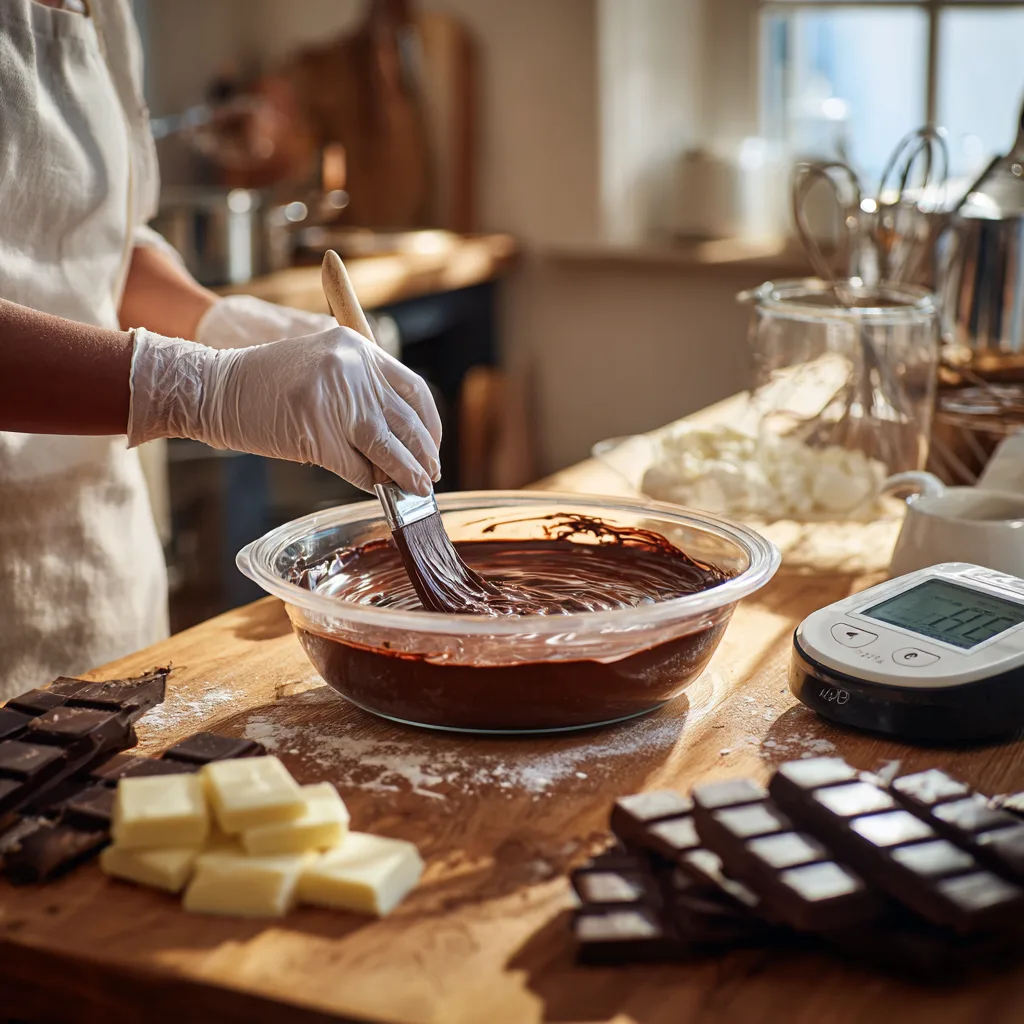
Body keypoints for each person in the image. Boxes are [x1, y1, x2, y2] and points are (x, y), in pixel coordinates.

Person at [0, 0, 442, 700]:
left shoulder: (109, 13)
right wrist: (200, 387)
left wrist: (220, 325)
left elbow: (103, 245)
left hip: (99, 572)